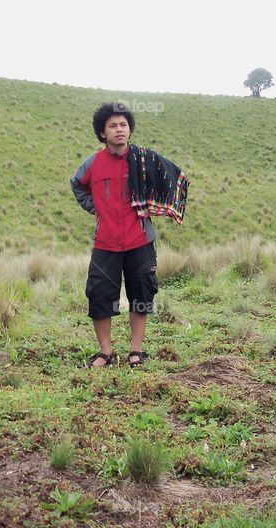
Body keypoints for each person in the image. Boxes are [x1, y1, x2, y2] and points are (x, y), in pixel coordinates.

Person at [71, 102, 188, 368]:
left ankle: (137, 351)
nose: (119, 130)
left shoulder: (144, 160)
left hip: (140, 241)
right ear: (103, 133)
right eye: (112, 126)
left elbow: (171, 176)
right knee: (99, 295)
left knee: (142, 295)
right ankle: (106, 353)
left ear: (129, 129)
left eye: (123, 125)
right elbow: (77, 184)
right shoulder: (93, 163)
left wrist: (158, 205)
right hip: (106, 243)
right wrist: (94, 207)